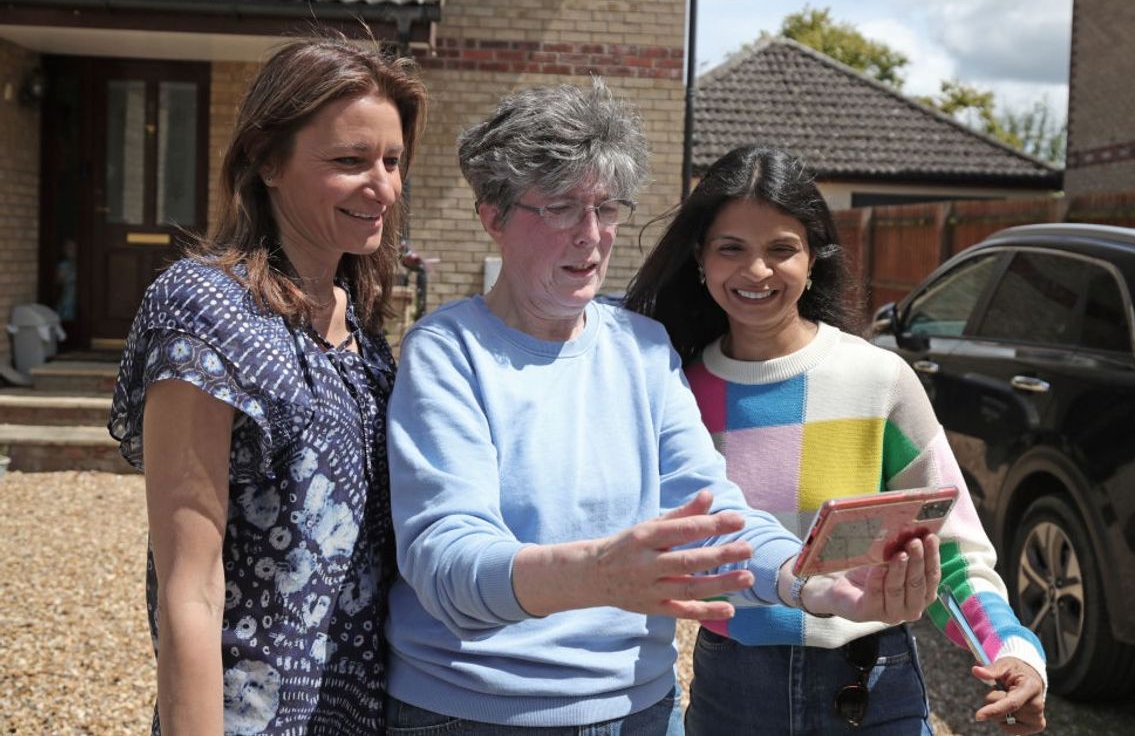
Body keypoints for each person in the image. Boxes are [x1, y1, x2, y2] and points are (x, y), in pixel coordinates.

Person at [384, 81, 942, 734]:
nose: (592, 237)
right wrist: (594, 575)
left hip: (642, 712)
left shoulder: (642, 349)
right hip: (471, 714)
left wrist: (806, 582)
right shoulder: (447, 351)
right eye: (563, 208)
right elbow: (445, 564)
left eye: (608, 208)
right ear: (493, 216)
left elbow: (713, 511)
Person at [625, 145, 1049, 735]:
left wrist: (1009, 650)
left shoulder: (880, 379)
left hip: (875, 687)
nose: (756, 271)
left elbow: (952, 554)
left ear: (813, 257)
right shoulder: (676, 391)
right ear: (699, 258)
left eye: (781, 249)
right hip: (730, 692)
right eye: (731, 249)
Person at [108, 37, 427, 733]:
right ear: (265, 159)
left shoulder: (360, 322)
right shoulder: (207, 310)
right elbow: (188, 587)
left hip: (361, 712)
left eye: (392, 161)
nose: (383, 186)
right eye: (350, 161)